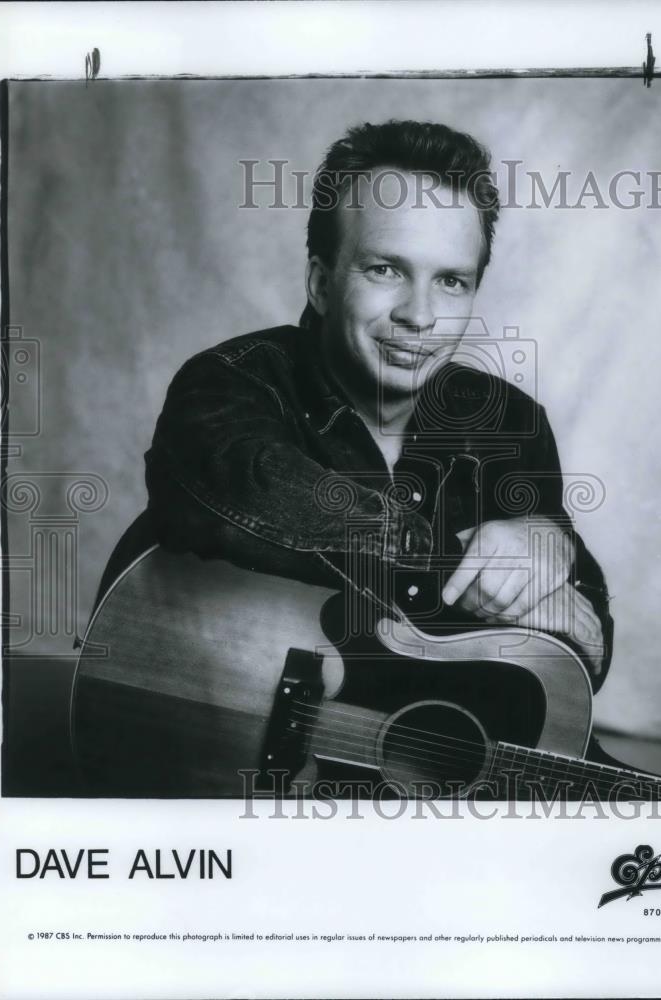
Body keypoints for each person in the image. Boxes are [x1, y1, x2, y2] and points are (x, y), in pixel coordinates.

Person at [143, 119, 612, 689]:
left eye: (451, 282)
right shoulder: (231, 382)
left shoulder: (509, 421)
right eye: (385, 269)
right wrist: (448, 563)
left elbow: (575, 657)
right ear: (320, 282)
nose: (419, 315)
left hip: (434, 757)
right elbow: (253, 497)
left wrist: (551, 545)